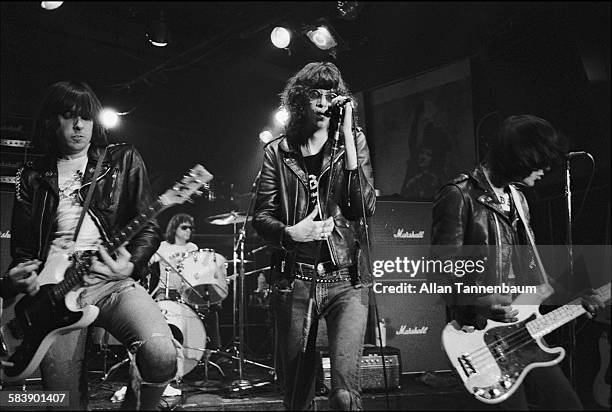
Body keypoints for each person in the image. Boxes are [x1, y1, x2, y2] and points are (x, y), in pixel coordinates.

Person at [2, 81, 180, 410]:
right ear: (51, 122)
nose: (79, 125)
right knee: (63, 401)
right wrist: (20, 275)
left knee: (162, 355)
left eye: (85, 117)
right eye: (69, 116)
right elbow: (24, 251)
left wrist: (131, 265)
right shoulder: (31, 175)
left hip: (111, 280)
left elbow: (149, 227)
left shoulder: (122, 159)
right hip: (54, 292)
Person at [431, 114, 605, 410]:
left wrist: (575, 300)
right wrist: (480, 300)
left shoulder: (519, 200)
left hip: (525, 330)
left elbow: (533, 275)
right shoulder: (460, 195)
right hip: (482, 334)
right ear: (520, 157)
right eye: (540, 161)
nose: (546, 169)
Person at [252, 62, 376, 410]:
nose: (323, 102)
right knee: (298, 395)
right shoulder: (278, 151)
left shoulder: (353, 142)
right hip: (295, 280)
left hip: (347, 280)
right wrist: (291, 233)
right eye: (315, 95)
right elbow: (259, 217)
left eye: (330, 95)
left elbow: (362, 208)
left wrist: (349, 136)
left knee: (344, 394)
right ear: (299, 100)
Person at [150, 213, 199, 301]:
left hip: (186, 291)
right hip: (164, 290)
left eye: (190, 228)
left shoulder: (192, 247)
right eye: (184, 228)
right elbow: (148, 262)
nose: (188, 230)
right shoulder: (163, 246)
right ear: (174, 228)